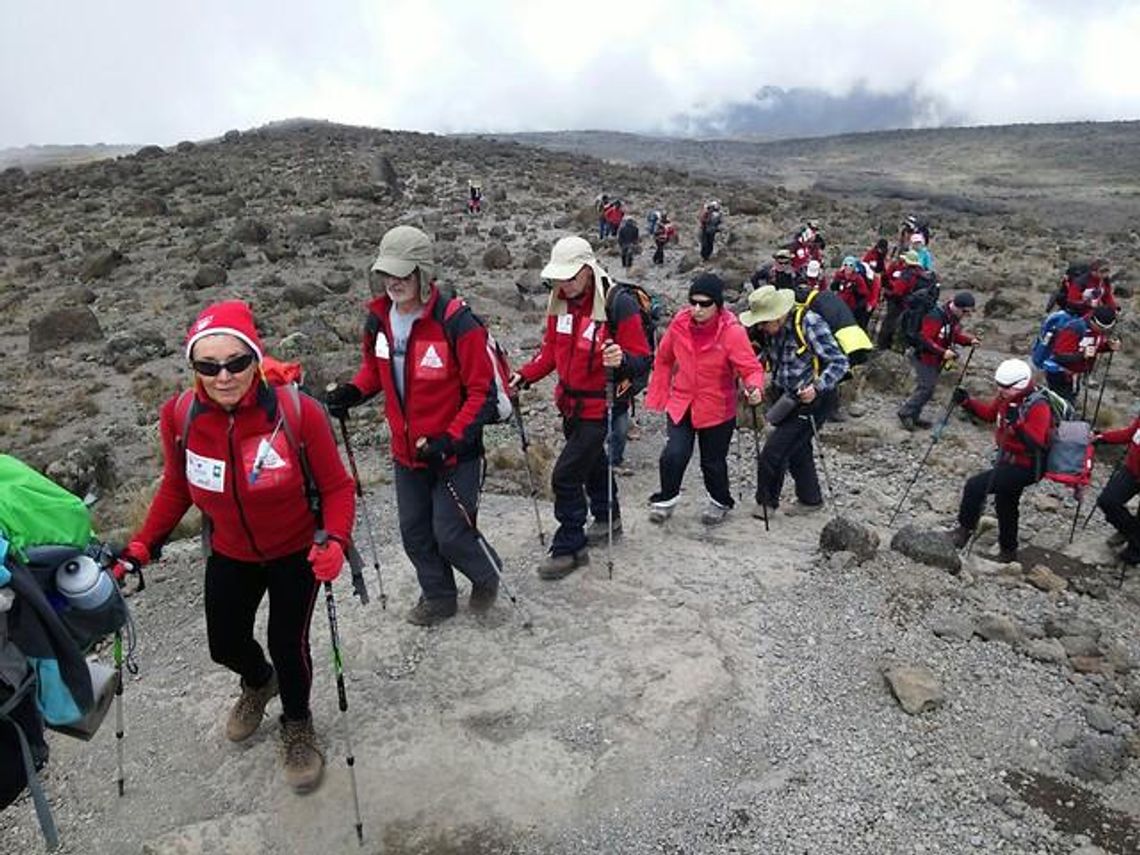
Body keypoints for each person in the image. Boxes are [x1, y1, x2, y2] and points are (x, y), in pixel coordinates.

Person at [115, 300, 355, 794]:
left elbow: (336, 487)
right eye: (208, 366)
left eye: (236, 362)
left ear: (254, 357)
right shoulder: (180, 416)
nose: (223, 376)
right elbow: (178, 486)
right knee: (224, 644)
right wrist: (143, 544)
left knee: (289, 645)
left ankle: (297, 724)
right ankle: (257, 681)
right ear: (194, 368)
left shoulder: (297, 413)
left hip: (295, 551)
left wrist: (335, 539)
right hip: (230, 550)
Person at [324, 225, 505, 627]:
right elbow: (375, 371)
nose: (394, 282)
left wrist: (450, 440)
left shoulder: (457, 322)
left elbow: (482, 393)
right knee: (415, 533)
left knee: (451, 534)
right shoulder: (379, 321)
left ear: (424, 273)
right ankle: (439, 597)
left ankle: (487, 575)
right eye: (388, 273)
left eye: (404, 273)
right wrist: (354, 392)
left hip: (454, 453)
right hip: (407, 454)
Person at [509, 236, 652, 579]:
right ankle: (608, 518)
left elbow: (642, 359)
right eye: (559, 278)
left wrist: (621, 359)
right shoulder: (559, 301)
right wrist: (524, 376)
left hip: (600, 406)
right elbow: (550, 352)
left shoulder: (619, 304)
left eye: (570, 277)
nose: (563, 284)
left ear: (588, 270)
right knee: (592, 464)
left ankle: (570, 546)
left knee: (565, 477)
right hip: (568, 405)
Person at [645, 274, 765, 525]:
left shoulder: (732, 332)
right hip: (681, 402)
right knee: (673, 454)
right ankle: (666, 499)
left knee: (712, 462)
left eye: (705, 304)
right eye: (693, 302)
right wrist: (659, 389)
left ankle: (720, 501)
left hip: (717, 408)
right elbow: (664, 357)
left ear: (718, 304)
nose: (697, 309)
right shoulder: (679, 324)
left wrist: (754, 388)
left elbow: (751, 368)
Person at [739, 285, 849, 516]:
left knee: (774, 450)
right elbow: (765, 358)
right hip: (785, 396)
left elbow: (839, 362)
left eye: (764, 322)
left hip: (814, 399)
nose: (760, 327)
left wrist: (817, 387)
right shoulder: (769, 332)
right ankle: (810, 499)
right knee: (798, 448)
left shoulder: (810, 323)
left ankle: (766, 503)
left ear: (778, 316)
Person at [949, 359, 1051, 563]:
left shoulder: (1039, 406)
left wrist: (1018, 425)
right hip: (1009, 459)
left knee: (975, 486)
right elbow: (989, 415)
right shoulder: (1008, 397)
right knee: (1006, 503)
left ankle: (962, 532)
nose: (1000, 390)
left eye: (1005, 387)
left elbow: (1036, 444)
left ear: (1020, 384)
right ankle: (1008, 550)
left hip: (1027, 465)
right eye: (999, 385)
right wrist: (967, 402)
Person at [897, 292, 980, 431]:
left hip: (935, 358)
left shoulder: (950, 317)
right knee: (926, 387)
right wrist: (943, 352)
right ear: (959, 308)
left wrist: (969, 341)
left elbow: (952, 335)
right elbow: (925, 339)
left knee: (928, 388)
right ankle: (905, 413)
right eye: (965, 312)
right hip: (924, 356)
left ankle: (913, 415)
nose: (966, 315)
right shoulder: (936, 316)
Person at [1044, 305, 1119, 405]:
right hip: (1059, 375)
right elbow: (1058, 356)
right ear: (1093, 320)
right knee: (1062, 405)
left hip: (1075, 375)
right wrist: (1082, 355)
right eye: (1101, 327)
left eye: (1107, 329)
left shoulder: (1097, 331)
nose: (1103, 331)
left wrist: (1108, 347)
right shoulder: (1075, 329)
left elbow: (1094, 347)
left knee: (1070, 402)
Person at [1094, 412, 1140, 565]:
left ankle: (1134, 552)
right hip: (1132, 470)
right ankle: (1131, 532)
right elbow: (1131, 434)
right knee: (1107, 501)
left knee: (1131, 556)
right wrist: (1102, 438)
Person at [876, 250, 928, 350]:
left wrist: (887, 292)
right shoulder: (921, 273)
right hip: (914, 306)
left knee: (889, 323)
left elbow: (897, 292)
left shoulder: (907, 274)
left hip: (899, 303)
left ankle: (883, 346)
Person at [830, 256, 873, 329]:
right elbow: (833, 288)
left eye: (851, 265)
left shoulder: (858, 278)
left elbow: (864, 293)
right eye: (846, 265)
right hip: (839, 305)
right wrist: (836, 284)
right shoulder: (839, 275)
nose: (848, 268)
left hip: (851, 307)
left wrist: (856, 291)